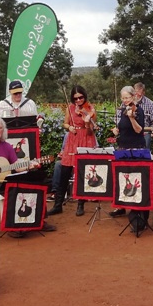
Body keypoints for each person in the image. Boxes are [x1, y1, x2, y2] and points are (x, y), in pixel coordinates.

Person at [47, 86, 98, 217]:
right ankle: (58, 204)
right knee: (65, 170)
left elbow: (90, 131)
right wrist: (69, 127)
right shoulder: (70, 109)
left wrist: (87, 123)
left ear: (84, 96)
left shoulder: (90, 109)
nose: (78, 100)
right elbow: (65, 123)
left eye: (81, 97)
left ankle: (81, 204)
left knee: (82, 172)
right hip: (72, 140)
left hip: (86, 139)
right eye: (75, 98)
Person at [109, 86, 146, 218]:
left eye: (127, 98)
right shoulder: (124, 111)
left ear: (134, 97)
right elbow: (122, 128)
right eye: (123, 98)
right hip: (123, 147)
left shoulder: (138, 111)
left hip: (135, 147)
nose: (125, 100)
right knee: (122, 177)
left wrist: (131, 118)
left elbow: (138, 130)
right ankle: (122, 206)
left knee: (134, 177)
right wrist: (116, 131)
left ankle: (136, 206)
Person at [133, 82, 153, 148]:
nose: (137, 94)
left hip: (145, 132)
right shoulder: (128, 102)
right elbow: (118, 116)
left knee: (144, 151)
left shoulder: (150, 103)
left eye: (140, 91)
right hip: (131, 132)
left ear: (143, 92)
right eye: (136, 91)